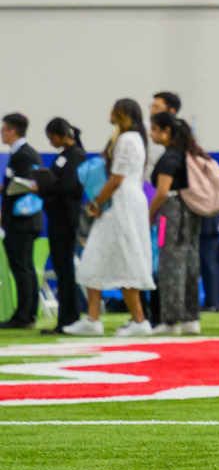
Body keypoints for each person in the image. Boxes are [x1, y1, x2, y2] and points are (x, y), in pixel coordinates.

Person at [68, 100, 155, 336]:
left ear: (122, 114)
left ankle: (138, 320)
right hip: (126, 203)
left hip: (122, 205)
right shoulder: (137, 138)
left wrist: (96, 201)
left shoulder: (127, 139)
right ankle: (93, 319)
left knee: (126, 258)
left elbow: (117, 178)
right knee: (95, 257)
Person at [146, 113, 203, 335]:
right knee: (189, 263)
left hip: (168, 214)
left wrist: (149, 215)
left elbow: (161, 193)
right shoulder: (187, 154)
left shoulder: (169, 157)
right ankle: (190, 318)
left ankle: (170, 321)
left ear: (166, 131)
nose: (152, 134)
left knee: (169, 263)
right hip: (190, 213)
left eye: (154, 129)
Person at [33, 119, 86, 333]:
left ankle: (68, 319)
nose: (51, 142)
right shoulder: (64, 156)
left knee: (65, 270)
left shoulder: (76, 155)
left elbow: (66, 187)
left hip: (66, 218)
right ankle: (67, 318)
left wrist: (45, 188)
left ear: (63, 134)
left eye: (52, 138)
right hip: (57, 216)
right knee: (62, 268)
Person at [2, 114, 40, 328]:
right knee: (24, 267)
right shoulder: (20, 154)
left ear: (13, 131)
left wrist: (7, 194)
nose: (2, 133)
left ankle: (24, 315)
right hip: (19, 219)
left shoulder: (24, 155)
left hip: (22, 220)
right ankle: (27, 313)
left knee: (22, 267)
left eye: (4, 129)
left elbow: (26, 186)